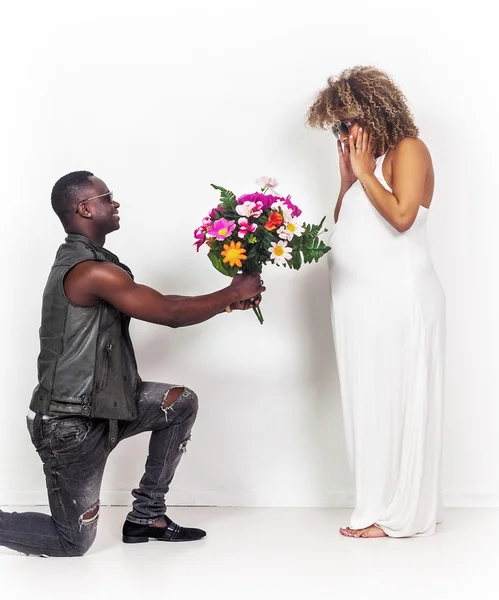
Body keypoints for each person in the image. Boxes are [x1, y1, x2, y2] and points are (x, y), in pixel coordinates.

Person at [0, 171, 265, 557]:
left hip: (106, 404)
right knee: (71, 542)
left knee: (180, 402)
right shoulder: (89, 271)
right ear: (85, 208)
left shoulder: (93, 263)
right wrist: (231, 290)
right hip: (69, 425)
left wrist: (226, 301)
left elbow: (158, 299)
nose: (116, 203)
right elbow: (169, 312)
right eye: (107, 197)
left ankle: (147, 516)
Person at [307, 66, 445, 538]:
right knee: (370, 403)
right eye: (338, 127)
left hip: (399, 299)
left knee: (398, 400)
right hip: (361, 307)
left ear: (374, 112)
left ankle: (403, 513)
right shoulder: (369, 166)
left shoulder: (409, 150)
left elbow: (403, 217)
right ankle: (379, 502)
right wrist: (348, 180)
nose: (344, 134)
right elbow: (348, 225)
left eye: (347, 123)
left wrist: (366, 172)